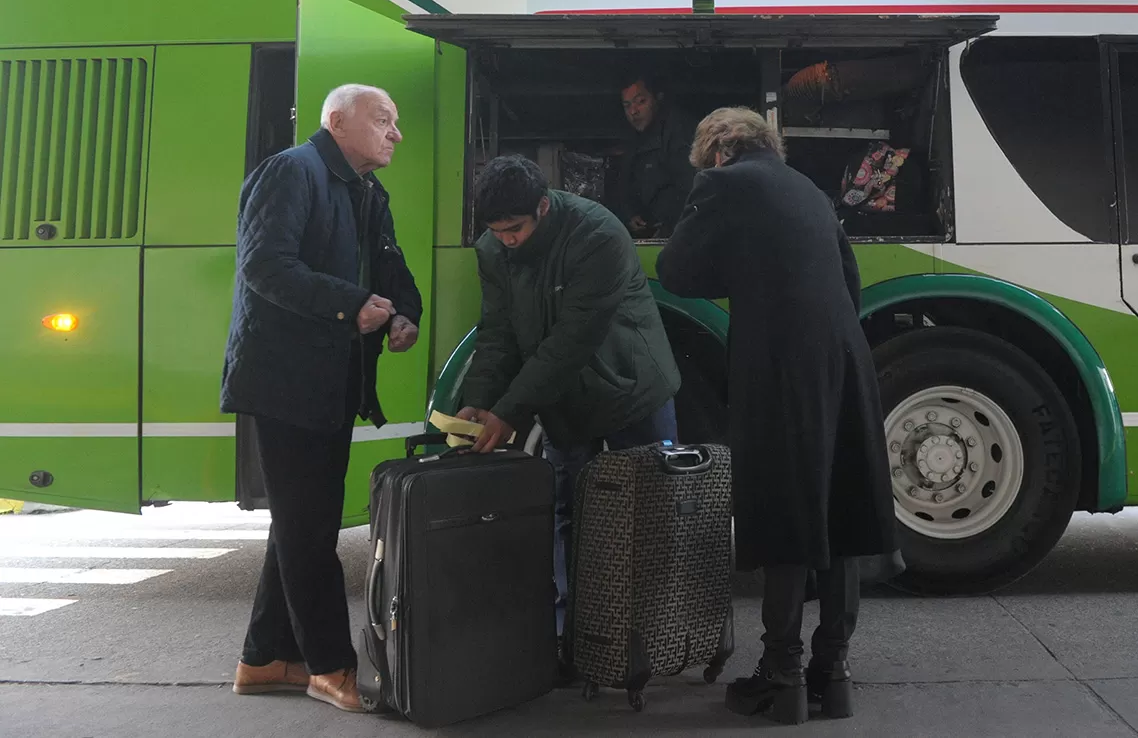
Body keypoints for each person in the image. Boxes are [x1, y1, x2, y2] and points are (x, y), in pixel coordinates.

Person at [657, 108, 900, 724]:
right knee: (840, 507)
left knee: (786, 508)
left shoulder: (722, 182)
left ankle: (782, 675)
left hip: (782, 363)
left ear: (717, 153)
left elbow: (677, 272)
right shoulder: (809, 190)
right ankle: (833, 670)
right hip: (844, 357)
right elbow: (848, 274)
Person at [220, 84, 422, 713]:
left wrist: (403, 312)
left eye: (395, 122)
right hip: (285, 382)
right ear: (337, 121)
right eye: (383, 120)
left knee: (301, 523)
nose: (396, 133)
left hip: (327, 382)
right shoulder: (291, 171)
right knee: (311, 532)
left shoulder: (364, 189)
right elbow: (265, 266)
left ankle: (263, 659)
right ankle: (329, 668)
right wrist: (349, 303)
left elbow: (388, 263)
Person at [455, 154, 682, 658]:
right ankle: (570, 638)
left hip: (631, 386)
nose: (506, 240)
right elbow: (498, 333)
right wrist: (479, 402)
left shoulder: (598, 233)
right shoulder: (493, 248)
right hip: (562, 394)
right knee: (564, 510)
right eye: (496, 231)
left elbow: (572, 340)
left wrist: (510, 411)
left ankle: (645, 638)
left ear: (543, 206)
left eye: (514, 229)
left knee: (649, 511)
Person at [607, 73, 697, 239]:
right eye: (627, 106)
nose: (633, 111)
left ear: (658, 99)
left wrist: (671, 226)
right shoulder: (633, 138)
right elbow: (623, 184)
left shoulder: (679, 132)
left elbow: (690, 188)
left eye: (641, 101)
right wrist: (630, 215)